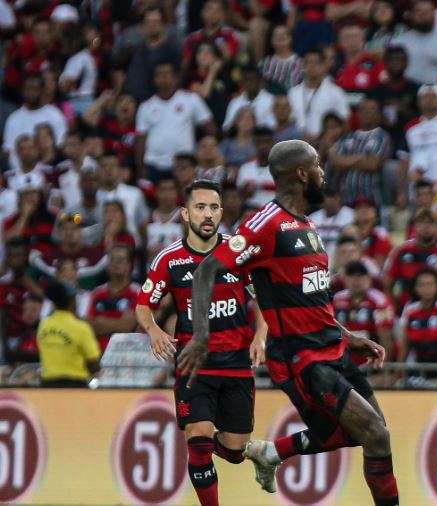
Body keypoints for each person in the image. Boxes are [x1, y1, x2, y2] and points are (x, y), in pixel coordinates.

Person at [177, 140, 399, 505]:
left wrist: (347, 335)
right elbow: (206, 271)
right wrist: (200, 335)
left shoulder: (306, 223)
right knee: (376, 435)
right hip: (302, 358)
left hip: (332, 347)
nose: (323, 172)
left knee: (369, 432)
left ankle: (272, 452)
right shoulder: (265, 224)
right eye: (317, 165)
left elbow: (310, 299)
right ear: (301, 173)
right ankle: (274, 452)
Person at [136, 180, 267, 506]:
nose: (207, 214)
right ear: (185, 213)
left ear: (221, 212)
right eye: (200, 207)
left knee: (235, 450)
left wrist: (260, 335)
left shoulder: (238, 253)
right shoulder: (170, 259)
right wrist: (153, 329)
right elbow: (143, 304)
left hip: (236, 362)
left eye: (213, 207)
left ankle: (225, 450)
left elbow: (264, 298)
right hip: (194, 364)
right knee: (198, 436)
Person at [37, 280, 100, 387]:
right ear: (72, 301)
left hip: (47, 384)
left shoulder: (43, 325)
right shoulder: (81, 327)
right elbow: (93, 362)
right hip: (75, 384)